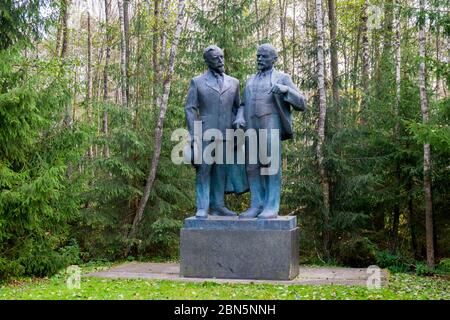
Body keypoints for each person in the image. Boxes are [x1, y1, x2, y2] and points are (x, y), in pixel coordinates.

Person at [237, 43, 307, 219]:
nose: (259, 59)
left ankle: (271, 205)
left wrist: (286, 90)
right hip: (251, 126)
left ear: (274, 59)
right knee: (252, 166)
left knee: (271, 165)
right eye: (258, 56)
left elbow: (302, 103)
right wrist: (239, 117)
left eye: (264, 56)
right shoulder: (250, 80)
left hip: (271, 123)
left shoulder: (282, 78)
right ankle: (256, 204)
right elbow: (243, 104)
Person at [184, 45, 247, 218]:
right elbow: (190, 108)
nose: (221, 61)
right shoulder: (197, 82)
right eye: (216, 58)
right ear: (207, 61)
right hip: (205, 133)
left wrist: (239, 119)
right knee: (204, 170)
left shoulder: (233, 82)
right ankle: (203, 207)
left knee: (220, 171)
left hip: (226, 133)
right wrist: (193, 134)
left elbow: (239, 106)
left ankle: (218, 205)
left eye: (222, 57)